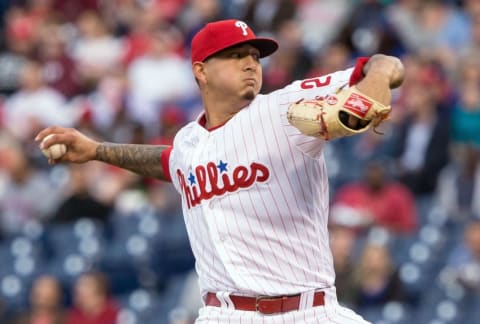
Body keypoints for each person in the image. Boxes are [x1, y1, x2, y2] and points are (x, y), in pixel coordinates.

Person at [36, 19, 404, 323]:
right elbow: (170, 163)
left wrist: (371, 87)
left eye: (254, 57)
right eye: (235, 56)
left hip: (306, 311)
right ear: (201, 71)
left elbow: (385, 65)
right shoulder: (189, 142)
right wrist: (97, 150)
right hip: (222, 314)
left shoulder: (281, 108)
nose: (250, 64)